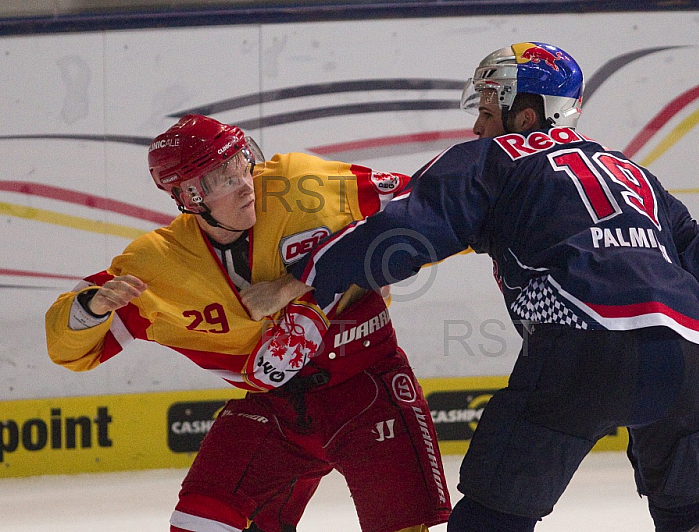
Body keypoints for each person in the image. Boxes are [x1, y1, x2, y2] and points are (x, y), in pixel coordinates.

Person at [259, 42, 699, 531]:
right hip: (689, 359)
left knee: (492, 518)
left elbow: (407, 230)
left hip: (583, 351)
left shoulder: (497, 158)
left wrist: (298, 281)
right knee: (697, 512)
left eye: (487, 113)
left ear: (525, 115)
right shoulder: (636, 175)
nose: (478, 128)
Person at [45, 114, 451, 532]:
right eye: (222, 177)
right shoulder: (156, 266)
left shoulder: (301, 182)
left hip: (369, 387)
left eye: (244, 163)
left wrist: (313, 279)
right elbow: (69, 350)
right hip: (274, 411)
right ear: (188, 196)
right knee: (200, 519)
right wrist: (90, 309)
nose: (245, 184)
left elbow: (426, 207)